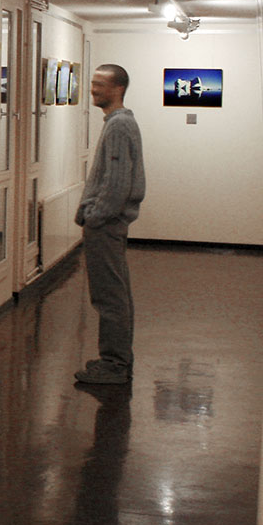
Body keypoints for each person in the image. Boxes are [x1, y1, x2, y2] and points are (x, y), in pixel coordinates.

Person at [73, 64, 146, 384]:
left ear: (119, 89)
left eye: (100, 84)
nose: (93, 89)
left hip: (106, 225)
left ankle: (114, 364)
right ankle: (118, 359)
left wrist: (94, 216)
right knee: (116, 293)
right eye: (93, 83)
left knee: (109, 296)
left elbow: (116, 184)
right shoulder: (120, 122)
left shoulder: (118, 125)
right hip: (108, 222)